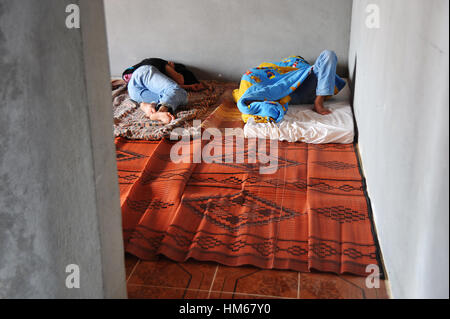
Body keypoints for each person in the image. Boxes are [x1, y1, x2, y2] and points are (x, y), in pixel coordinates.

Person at [122, 58, 205, 124]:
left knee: (169, 96)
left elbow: (169, 89)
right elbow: (179, 80)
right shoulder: (163, 63)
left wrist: (190, 87)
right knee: (181, 93)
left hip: (134, 93)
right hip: (143, 73)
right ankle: (162, 110)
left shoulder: (158, 79)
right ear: (171, 63)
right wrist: (174, 70)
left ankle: (146, 107)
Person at [289, 50, 345, 115]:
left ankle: (319, 101)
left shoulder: (306, 67)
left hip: (309, 85)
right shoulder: (277, 65)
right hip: (286, 91)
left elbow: (322, 71)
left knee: (328, 54)